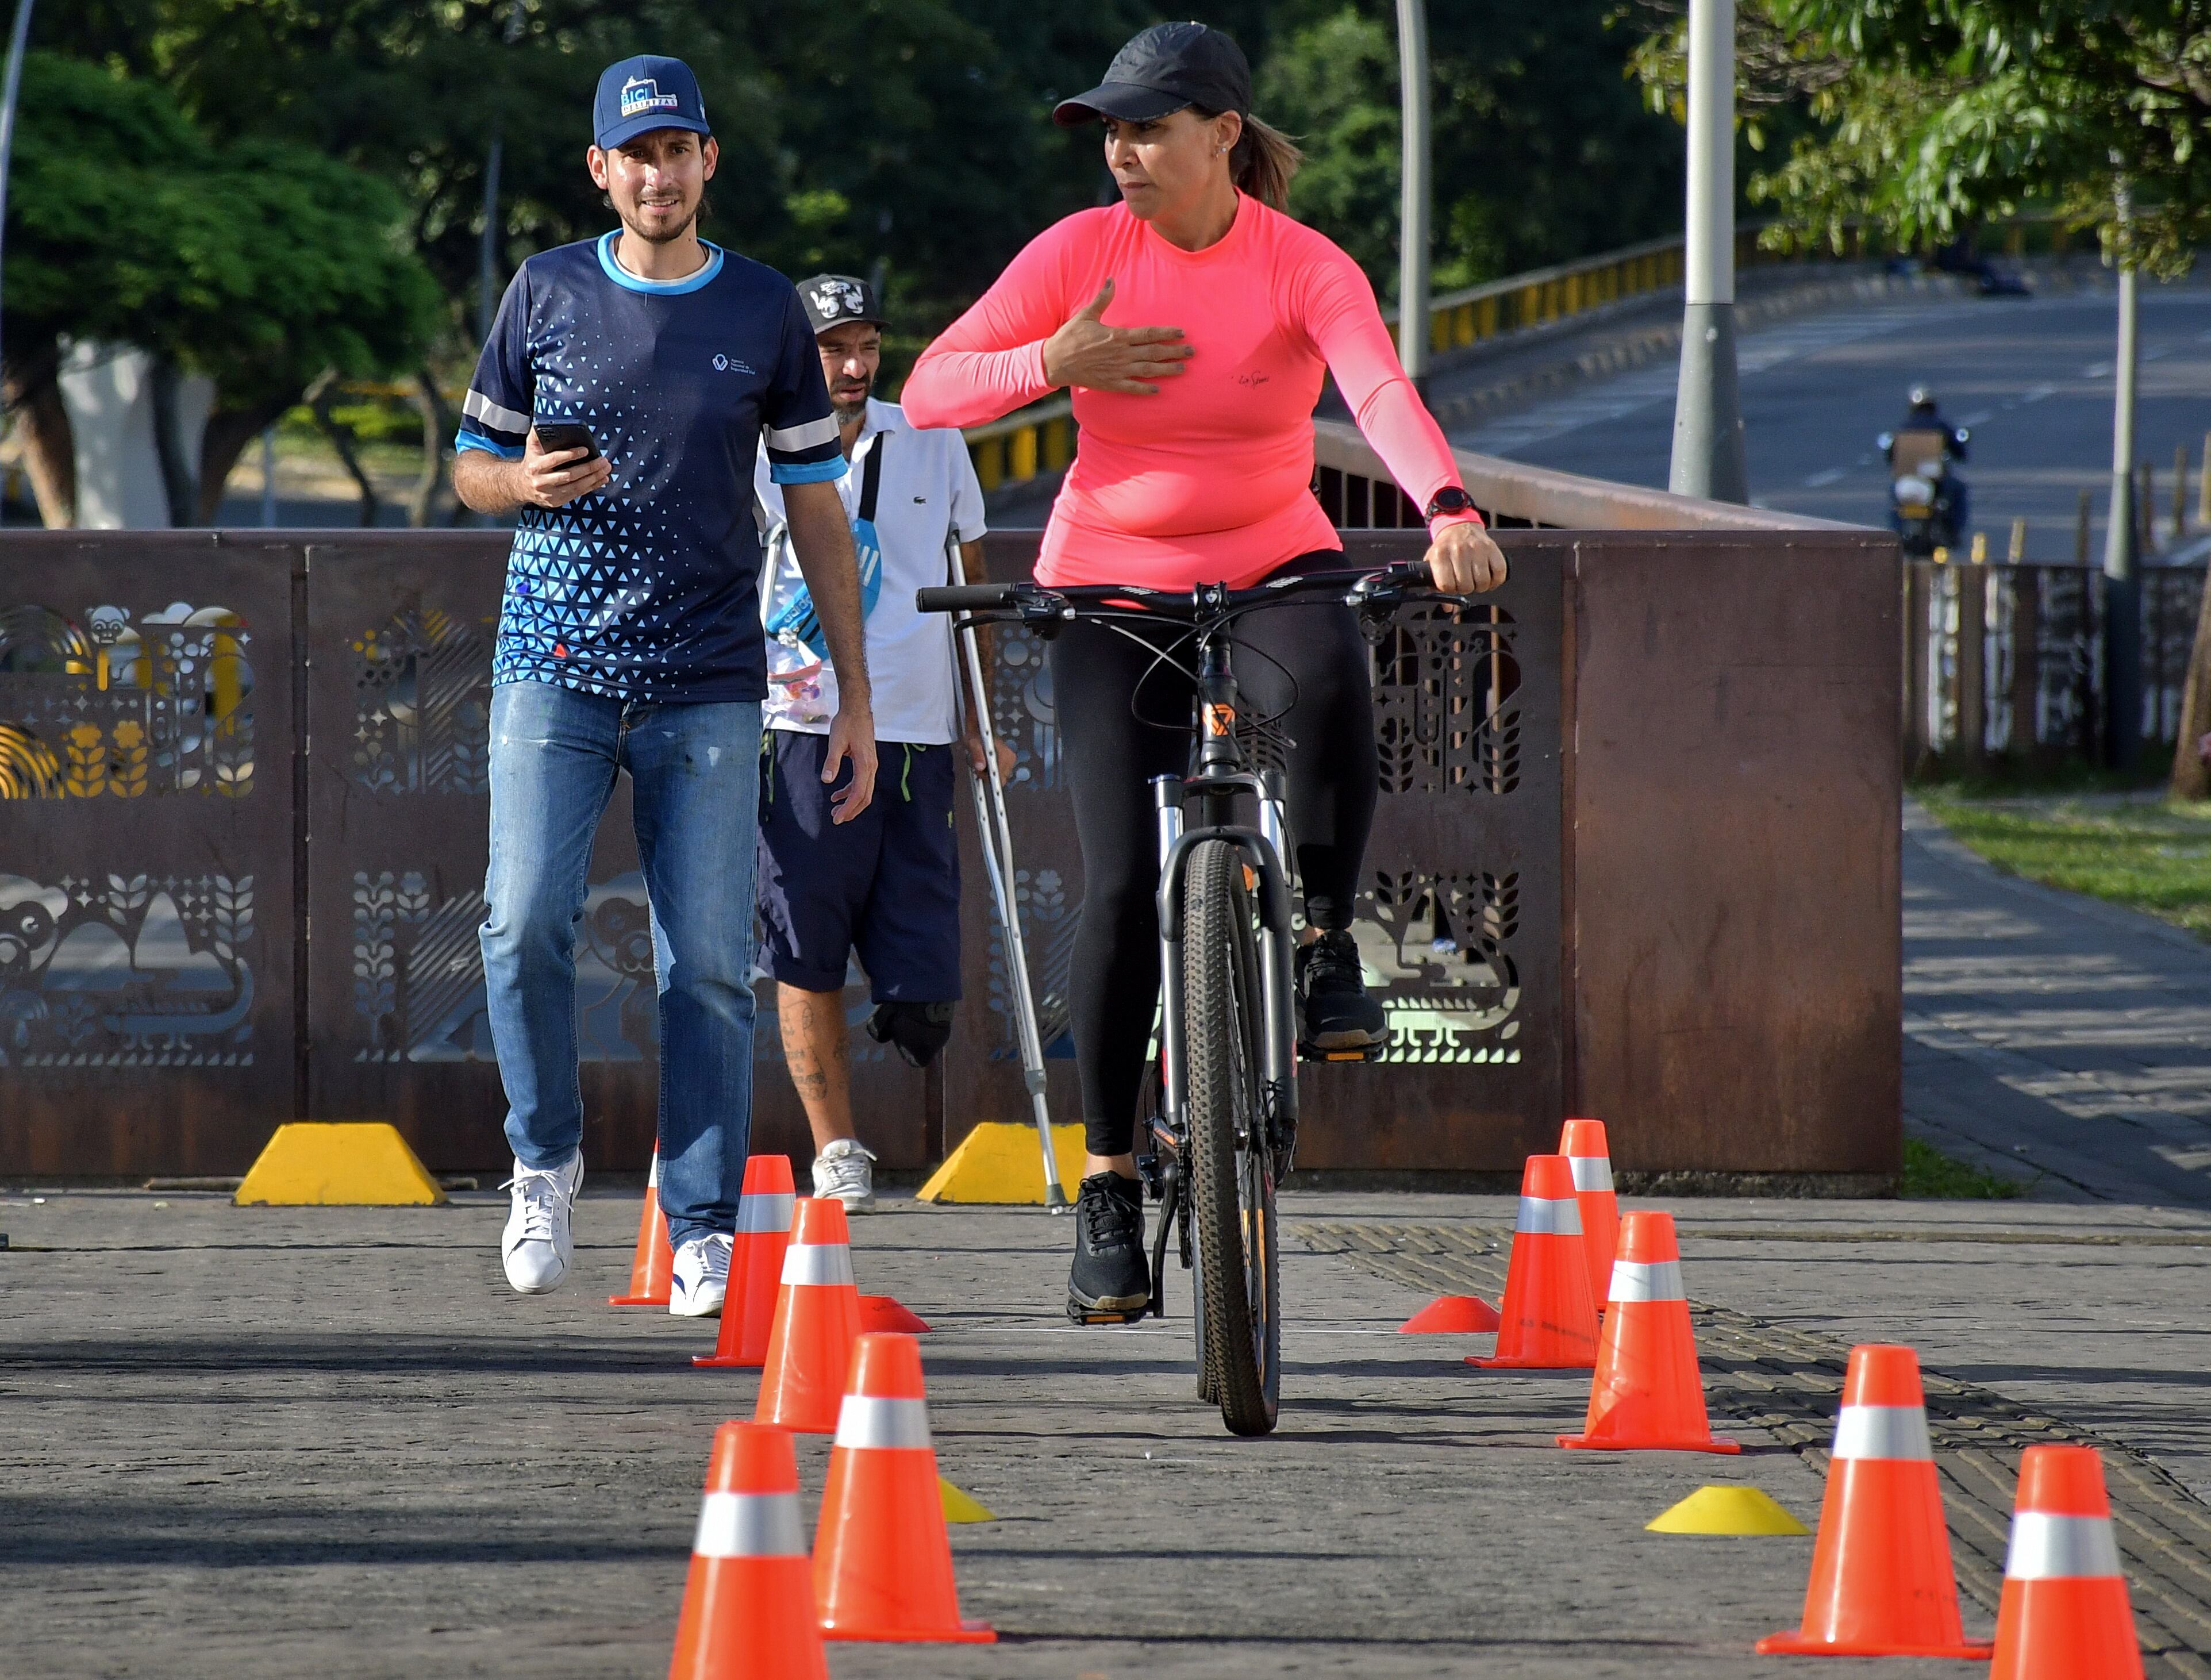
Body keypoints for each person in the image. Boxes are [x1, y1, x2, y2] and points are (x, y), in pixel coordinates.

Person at [902, 21, 1506, 1323]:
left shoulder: (1300, 263)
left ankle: (1326, 937)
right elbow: (933, 385)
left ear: (1222, 133)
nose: (1120, 151)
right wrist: (1045, 366)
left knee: (1335, 670)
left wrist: (1449, 508)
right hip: (1109, 576)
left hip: (1268, 554)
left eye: (1147, 127)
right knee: (1121, 882)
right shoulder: (1077, 253)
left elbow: (1381, 392)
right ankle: (1112, 1182)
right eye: (1109, 131)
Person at [452, 55, 875, 1314]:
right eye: (634, 153)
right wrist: (518, 484)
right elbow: (469, 464)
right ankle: (542, 1159)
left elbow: (815, 510)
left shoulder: (762, 314)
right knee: (521, 920)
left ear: (708, 162)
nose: (657, 171)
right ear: (601, 169)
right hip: (555, 663)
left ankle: (697, 1219)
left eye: (677, 148)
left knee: (706, 966)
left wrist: (852, 694)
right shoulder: (546, 290)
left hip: (707, 675)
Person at [753, 272, 1003, 1212]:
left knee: (926, 996)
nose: (852, 367)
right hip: (801, 723)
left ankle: (908, 1014)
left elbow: (971, 577)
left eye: (865, 347)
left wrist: (985, 723)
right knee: (806, 945)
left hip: (918, 731)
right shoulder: (760, 442)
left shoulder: (934, 438)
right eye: (831, 349)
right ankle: (838, 1148)